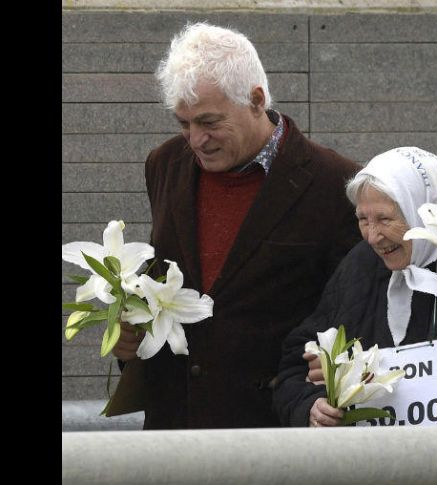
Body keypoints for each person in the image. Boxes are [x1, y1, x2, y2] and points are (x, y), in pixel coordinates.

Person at [107, 22, 362, 429]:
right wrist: (129, 338)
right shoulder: (164, 164)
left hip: (273, 433)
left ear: (257, 100)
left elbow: (353, 315)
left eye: (209, 122)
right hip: (174, 429)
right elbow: (165, 276)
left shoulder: (336, 184)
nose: (195, 140)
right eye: (184, 123)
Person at [272, 147, 437, 427]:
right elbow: (297, 365)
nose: (373, 237)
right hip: (376, 463)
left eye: (385, 219)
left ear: (425, 208)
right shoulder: (361, 266)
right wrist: (312, 405)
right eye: (363, 220)